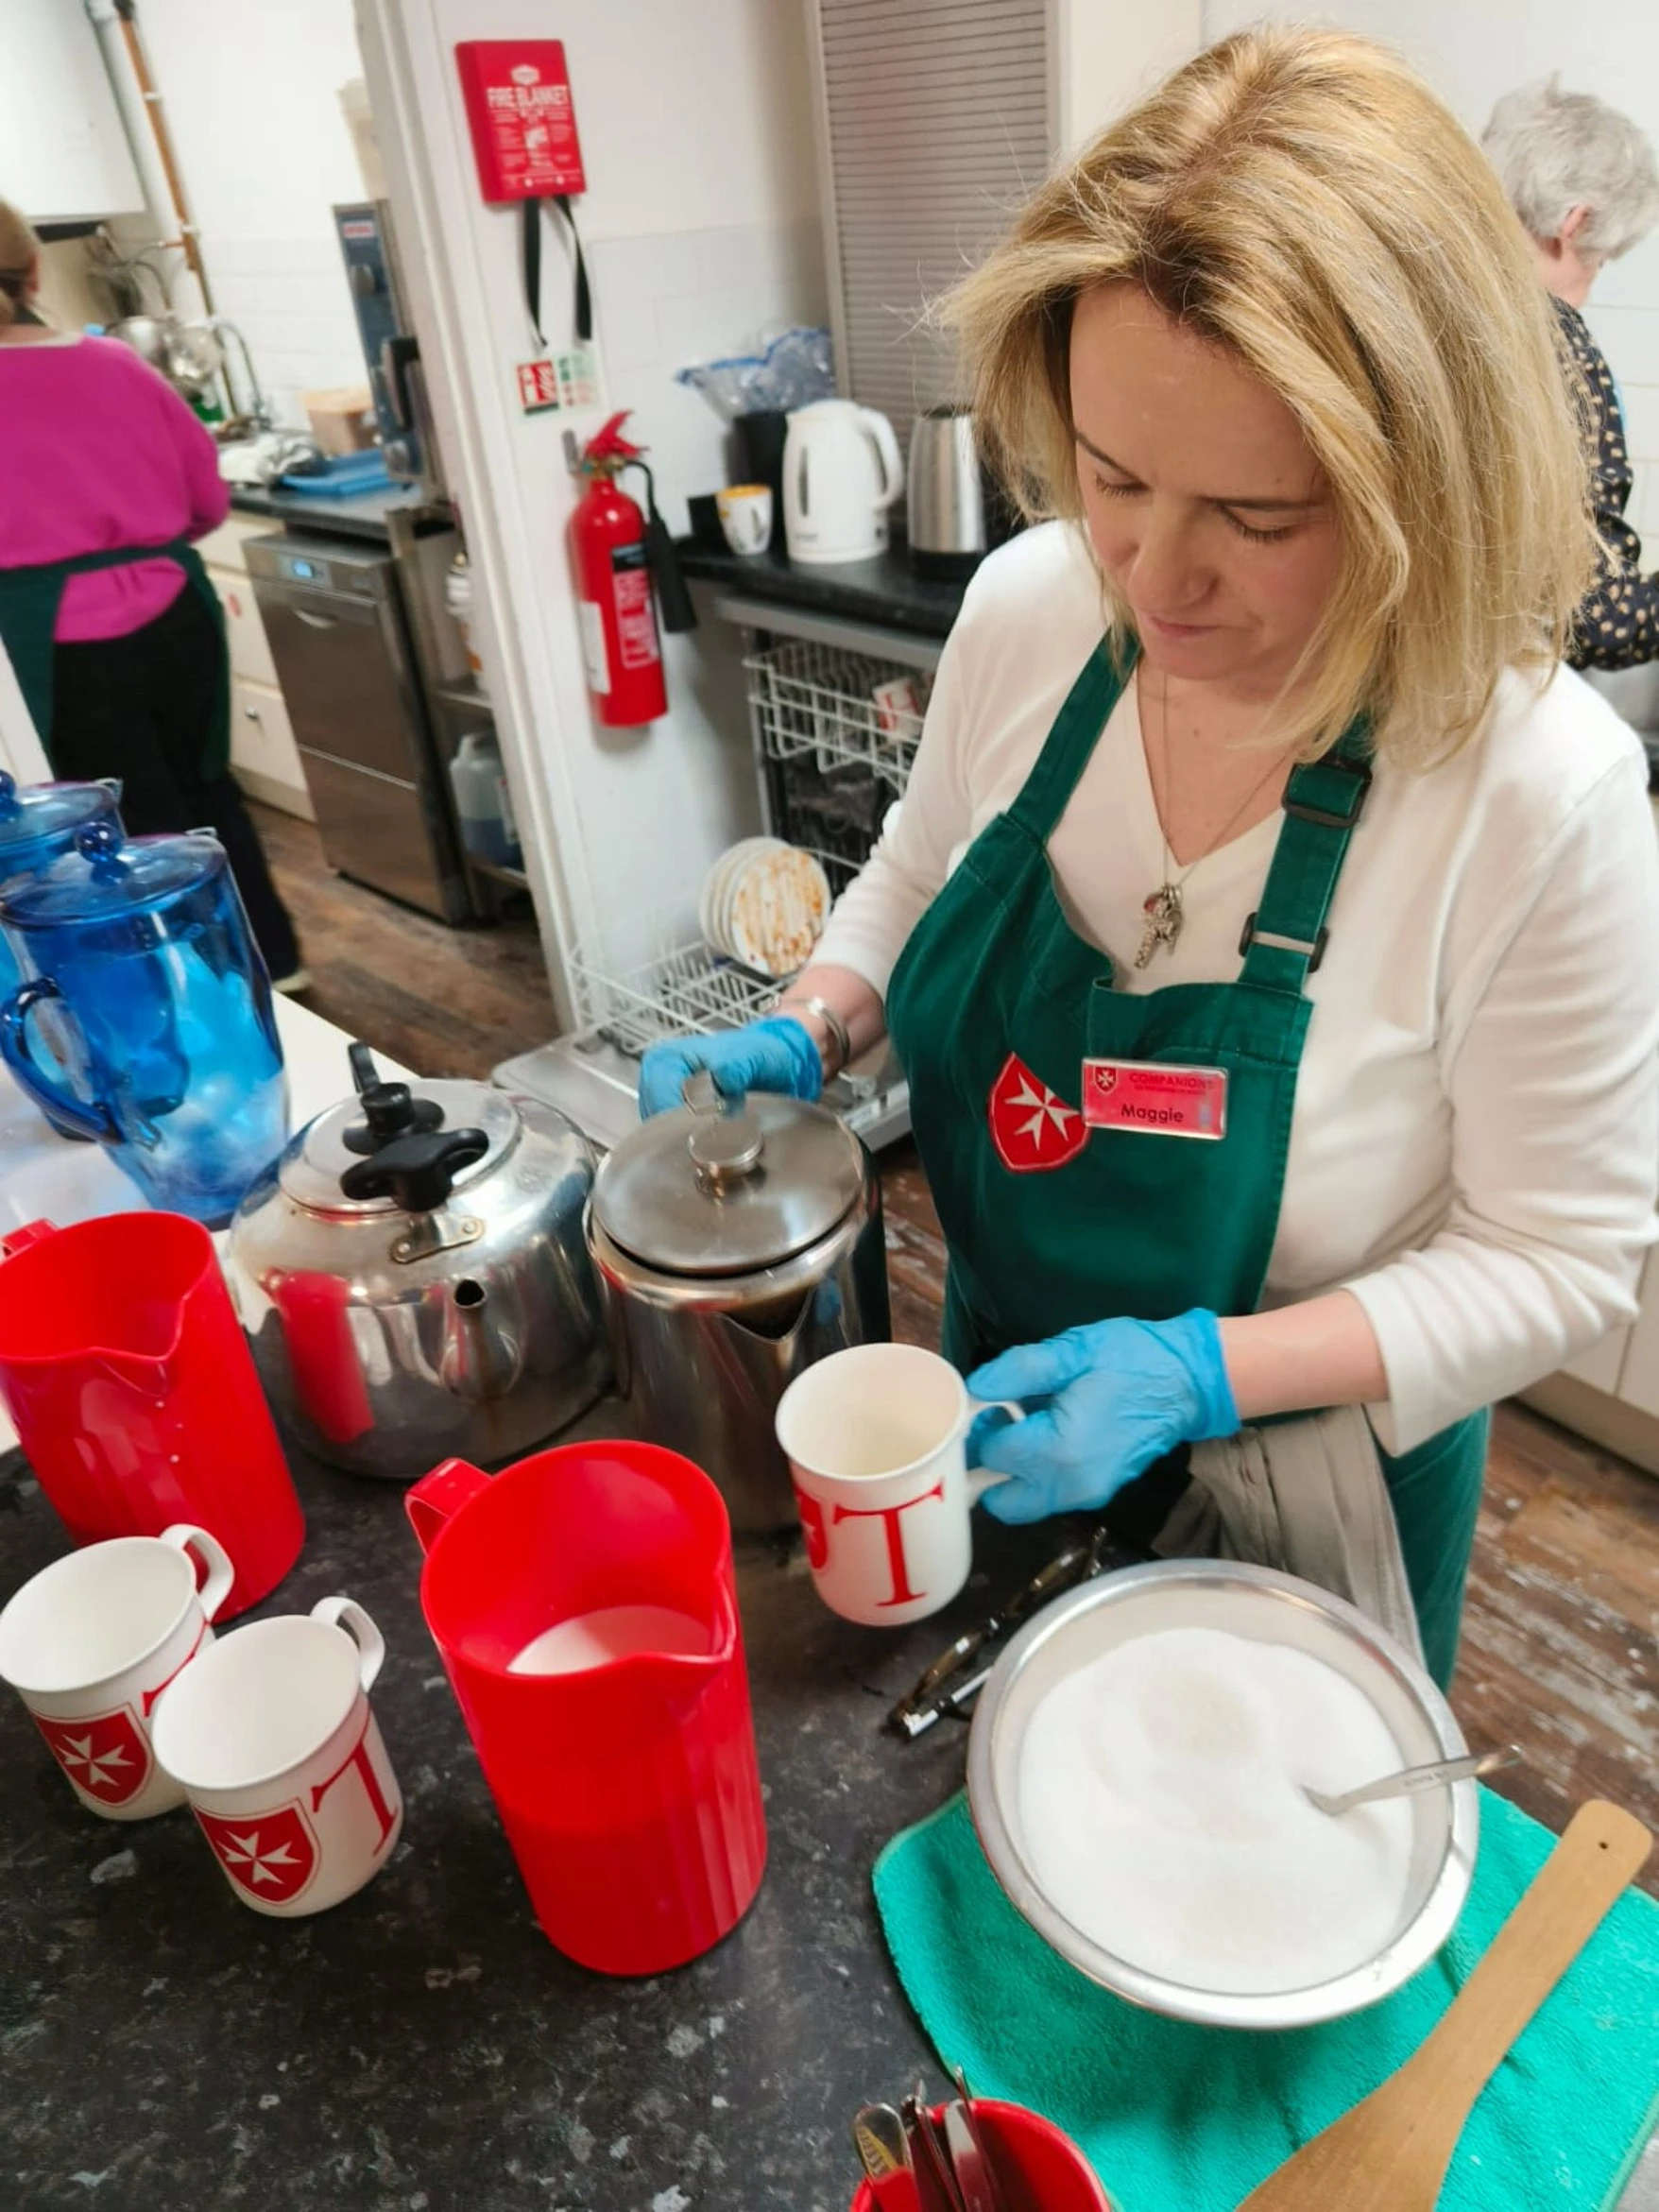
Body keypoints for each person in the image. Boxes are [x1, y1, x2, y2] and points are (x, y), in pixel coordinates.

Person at [640, 26, 1659, 1689]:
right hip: (1001, 1407)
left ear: (1431, 492)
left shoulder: (1535, 793)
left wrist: (1197, 1371)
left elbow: (1556, 1260)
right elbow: (916, 870)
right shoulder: (1036, 606)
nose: (1156, 579)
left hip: (1311, 1482)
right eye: (1113, 476)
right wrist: (815, 1019)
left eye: (1257, 520)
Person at [0, 198, 303, 985]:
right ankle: (273, 962)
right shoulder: (115, 364)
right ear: (33, 270)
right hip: (175, 614)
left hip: (48, 640)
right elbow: (206, 499)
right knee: (205, 789)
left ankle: (183, 993)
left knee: (110, 827)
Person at [1483, 81, 1659, 668]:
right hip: (1468, 705)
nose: (1592, 281)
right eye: (1600, 258)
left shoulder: (1419, 298)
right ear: (1575, 223)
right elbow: (1594, 613)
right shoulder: (1551, 346)